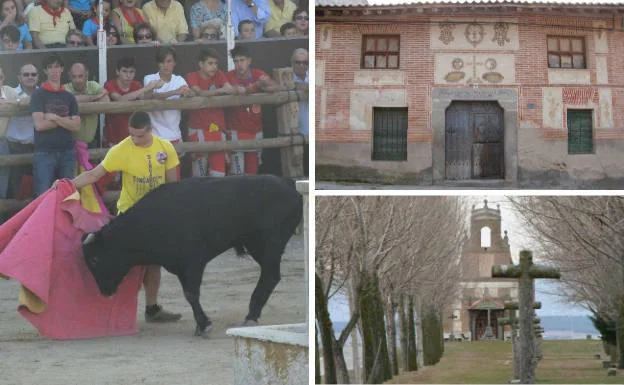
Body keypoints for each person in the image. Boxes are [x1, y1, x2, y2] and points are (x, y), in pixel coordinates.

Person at [62, 111, 182, 323]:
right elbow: (93, 174)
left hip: (156, 217)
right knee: (123, 262)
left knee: (154, 263)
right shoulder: (121, 149)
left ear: (150, 130)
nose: (135, 140)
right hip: (129, 215)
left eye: (140, 136)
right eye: (132, 135)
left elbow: (172, 186)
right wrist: (68, 184)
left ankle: (152, 308)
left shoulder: (166, 148)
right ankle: (112, 311)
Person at [225, 45, 282, 175]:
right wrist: (256, 86)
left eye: (242, 60)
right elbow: (235, 90)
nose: (239, 64)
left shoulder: (258, 74)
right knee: (236, 174)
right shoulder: (229, 76)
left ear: (249, 60)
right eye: (236, 61)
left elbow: (277, 87)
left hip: (255, 131)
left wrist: (264, 85)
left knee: (253, 173)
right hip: (235, 131)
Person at [30, 54, 81, 197]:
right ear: (45, 71)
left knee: (68, 195)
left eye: (57, 66)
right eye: (50, 67)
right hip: (45, 152)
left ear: (62, 69)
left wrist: (55, 118)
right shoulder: (38, 95)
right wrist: (65, 120)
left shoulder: (69, 97)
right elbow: (39, 125)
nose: (54, 71)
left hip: (67, 151)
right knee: (43, 194)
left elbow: (76, 126)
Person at [185, 48, 233, 177]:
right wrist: (219, 91)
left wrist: (219, 91)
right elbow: (199, 92)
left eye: (216, 63)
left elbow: (229, 89)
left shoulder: (220, 74)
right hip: (198, 130)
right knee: (199, 176)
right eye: (210, 63)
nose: (214, 67)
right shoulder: (192, 76)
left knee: (218, 175)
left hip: (218, 130)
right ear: (201, 64)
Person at [6, 63, 38, 199]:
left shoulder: (43, 93)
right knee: (16, 191)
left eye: (33, 74)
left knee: (36, 189)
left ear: (38, 77)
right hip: (15, 148)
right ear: (19, 77)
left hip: (37, 148)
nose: (30, 77)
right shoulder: (9, 93)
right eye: (26, 74)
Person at [64, 62, 109, 147]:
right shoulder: (65, 88)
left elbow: (106, 100)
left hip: (91, 142)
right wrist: (95, 97)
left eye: (80, 76)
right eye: (74, 76)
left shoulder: (93, 85)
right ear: (69, 76)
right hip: (70, 144)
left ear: (87, 75)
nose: (78, 80)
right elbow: (72, 100)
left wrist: (81, 102)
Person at [291, 48, 308, 176]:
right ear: (292, 63)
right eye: (298, 62)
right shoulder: (286, 78)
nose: (302, 65)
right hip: (296, 133)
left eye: (305, 62)